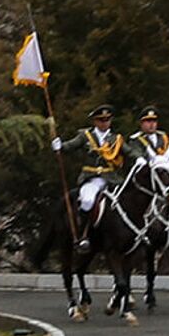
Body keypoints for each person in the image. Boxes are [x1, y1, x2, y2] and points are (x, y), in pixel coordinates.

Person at [53, 105, 125, 252]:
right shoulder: (86, 136)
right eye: (101, 120)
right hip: (91, 178)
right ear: (95, 122)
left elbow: (129, 151)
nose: (104, 123)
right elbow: (71, 146)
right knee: (87, 200)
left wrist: (141, 159)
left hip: (112, 179)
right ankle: (83, 234)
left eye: (107, 120)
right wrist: (60, 146)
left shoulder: (115, 139)